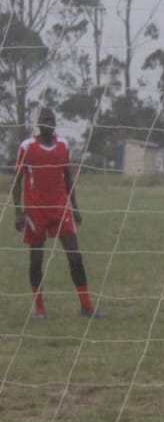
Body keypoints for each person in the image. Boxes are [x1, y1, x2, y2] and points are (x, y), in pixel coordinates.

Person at [10, 108, 105, 319]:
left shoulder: (63, 146)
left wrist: (76, 207)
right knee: (36, 259)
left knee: (75, 255)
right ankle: (40, 309)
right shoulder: (27, 147)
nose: (48, 123)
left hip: (61, 208)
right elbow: (17, 181)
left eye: (51, 120)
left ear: (54, 124)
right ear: (38, 124)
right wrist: (18, 212)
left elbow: (68, 178)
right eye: (44, 120)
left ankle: (87, 306)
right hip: (35, 211)